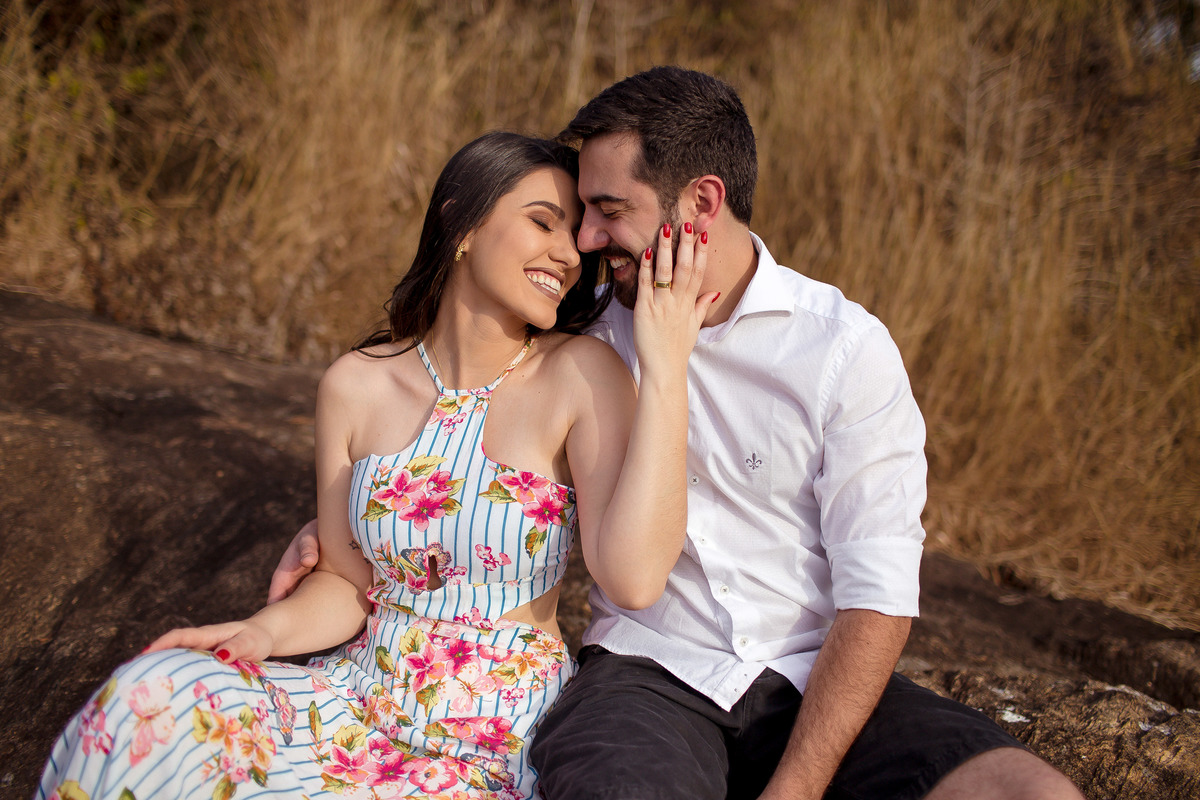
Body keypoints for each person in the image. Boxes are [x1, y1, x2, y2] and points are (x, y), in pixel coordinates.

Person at [273, 69, 1085, 800]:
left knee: (1029, 792)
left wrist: (796, 788)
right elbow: (465, 424)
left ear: (701, 202)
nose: (586, 242)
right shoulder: (586, 330)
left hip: (807, 671)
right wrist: (347, 527)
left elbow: (878, 595)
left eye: (609, 211)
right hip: (647, 672)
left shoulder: (842, 350)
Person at [37, 131, 716, 800]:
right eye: (543, 222)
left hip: (491, 735)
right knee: (150, 696)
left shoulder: (581, 374)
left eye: (575, 237)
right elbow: (345, 580)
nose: (568, 254)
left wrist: (666, 365)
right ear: (462, 224)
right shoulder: (355, 383)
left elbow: (634, 578)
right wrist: (259, 633)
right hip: (356, 698)